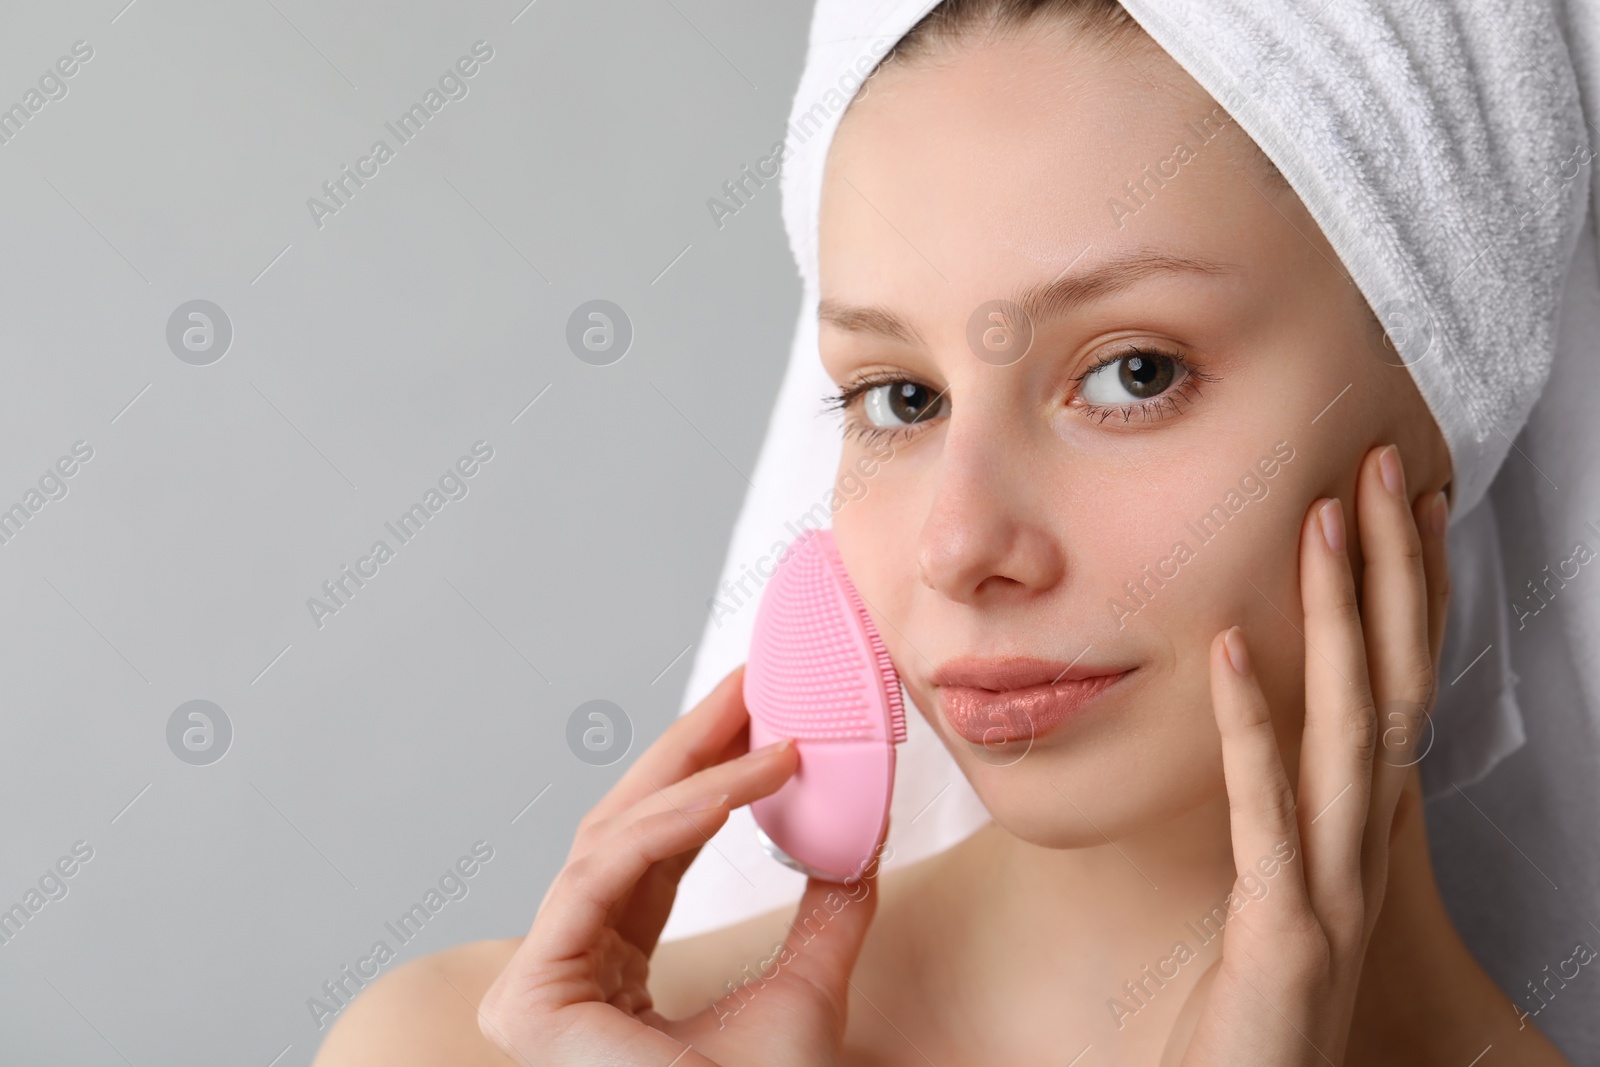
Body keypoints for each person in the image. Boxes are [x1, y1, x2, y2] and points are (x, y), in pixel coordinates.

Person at [311, 1, 1588, 1063]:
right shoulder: (464, 1046)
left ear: (1444, 390)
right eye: (898, 398)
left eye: (1131, 372)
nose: (958, 544)